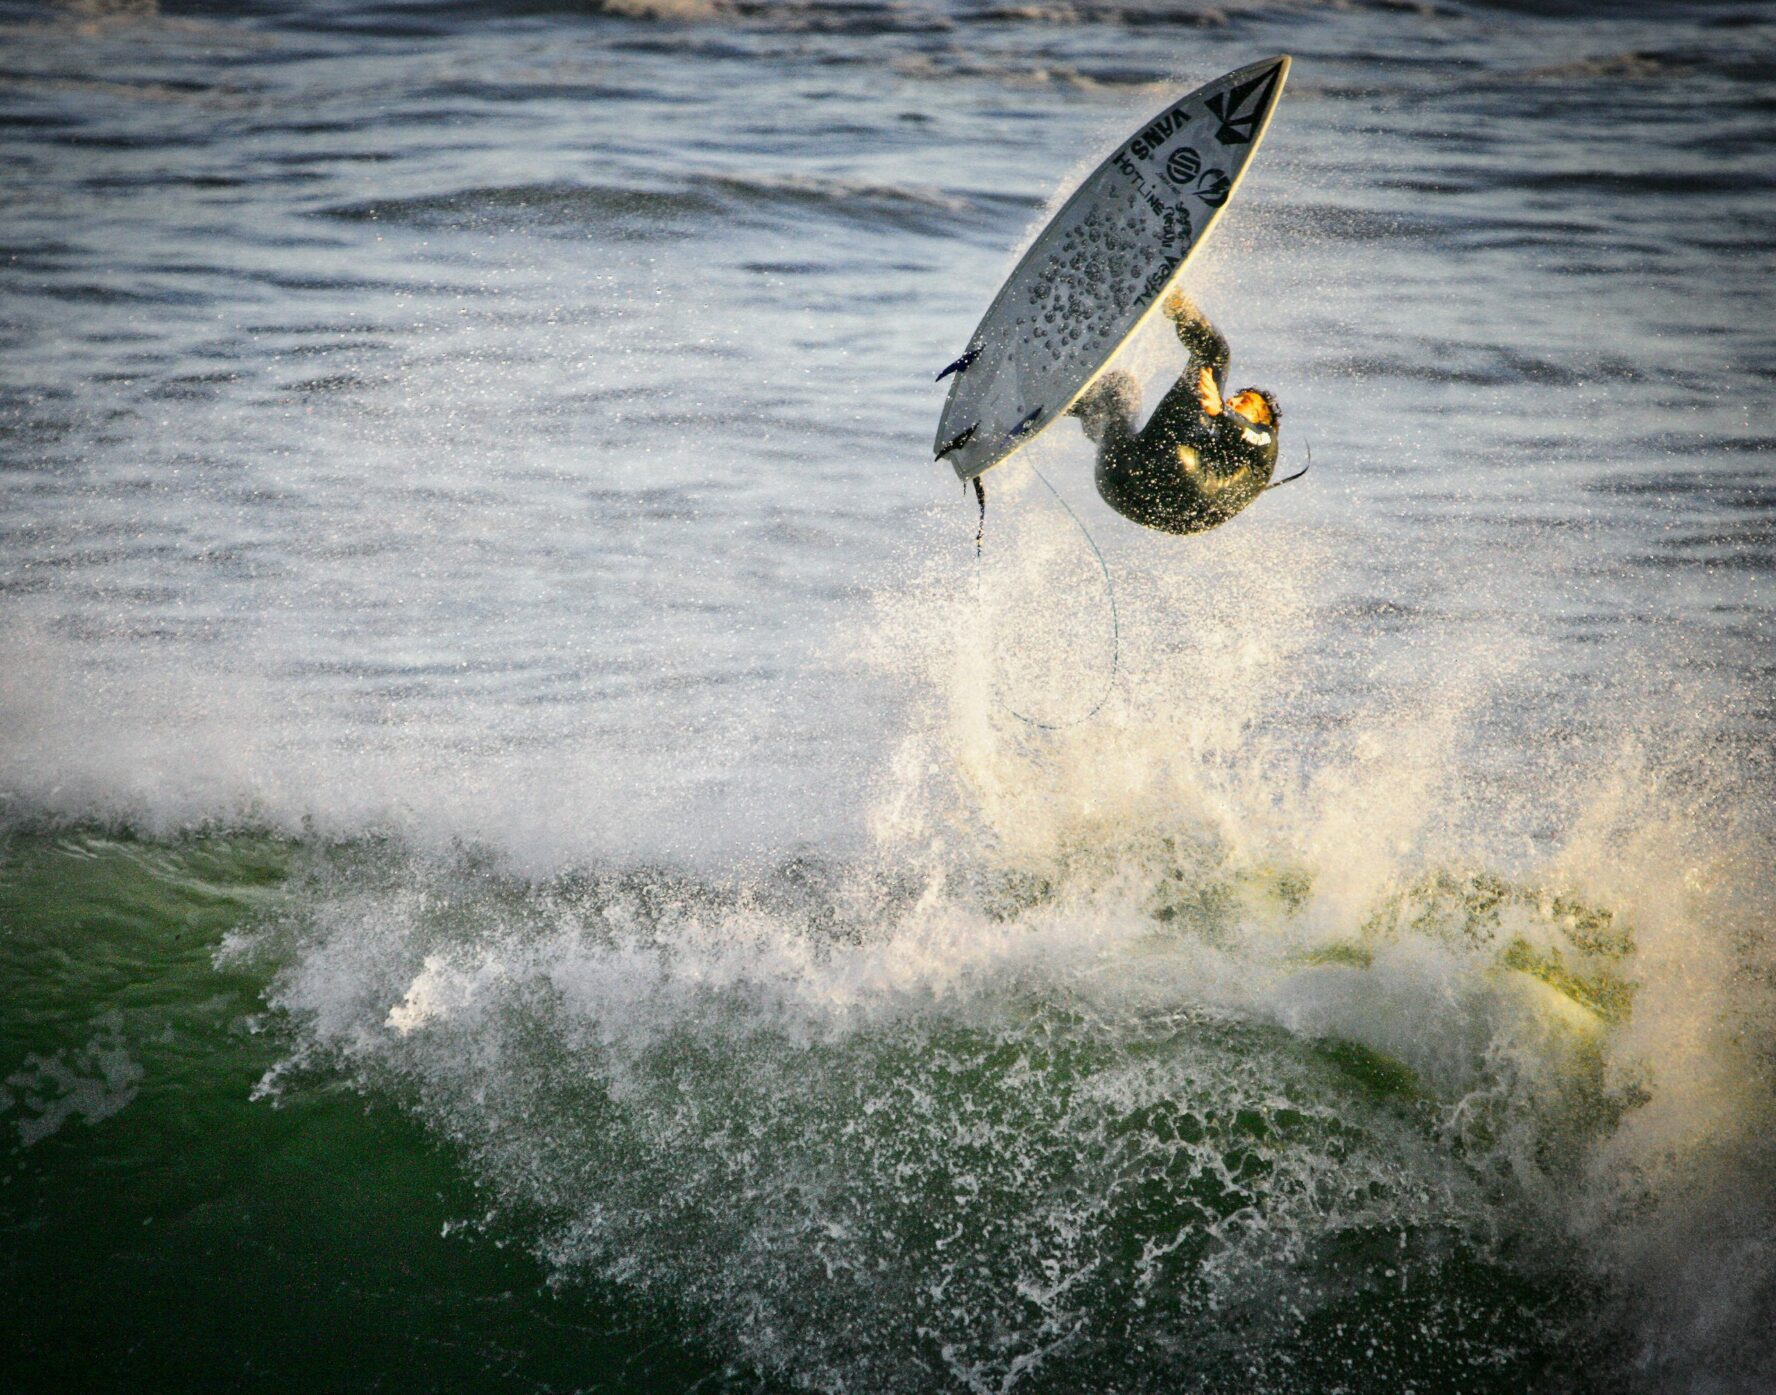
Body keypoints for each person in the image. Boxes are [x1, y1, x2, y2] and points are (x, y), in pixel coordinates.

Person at [1067, 290, 1282, 535]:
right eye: (1233, 398)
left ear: (1262, 420)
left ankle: (1175, 300)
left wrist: (1221, 412)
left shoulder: (1266, 443)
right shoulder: (1227, 460)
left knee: (1215, 354)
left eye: (1244, 402)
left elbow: (1254, 436)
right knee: (1117, 392)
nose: (1232, 401)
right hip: (1120, 487)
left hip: (1180, 474)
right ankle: (1068, 403)